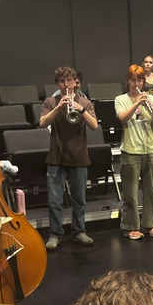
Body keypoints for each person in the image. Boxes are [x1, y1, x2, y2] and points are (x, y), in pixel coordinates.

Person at [40, 66, 98, 249]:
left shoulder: (85, 102)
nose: (67, 85)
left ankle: (79, 232)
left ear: (75, 82)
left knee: (79, 199)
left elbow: (94, 126)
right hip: (56, 156)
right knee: (55, 201)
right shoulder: (50, 101)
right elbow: (42, 123)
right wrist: (58, 107)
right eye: (62, 81)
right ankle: (55, 234)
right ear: (58, 83)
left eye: (70, 81)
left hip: (79, 156)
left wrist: (81, 110)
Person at [115, 65, 153, 240]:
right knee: (130, 193)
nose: (137, 83)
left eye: (140, 80)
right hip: (131, 149)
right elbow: (122, 119)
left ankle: (150, 223)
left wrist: (151, 108)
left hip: (151, 148)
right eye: (133, 80)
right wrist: (137, 103)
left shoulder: (151, 98)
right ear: (128, 81)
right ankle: (130, 226)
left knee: (151, 191)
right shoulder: (120, 99)